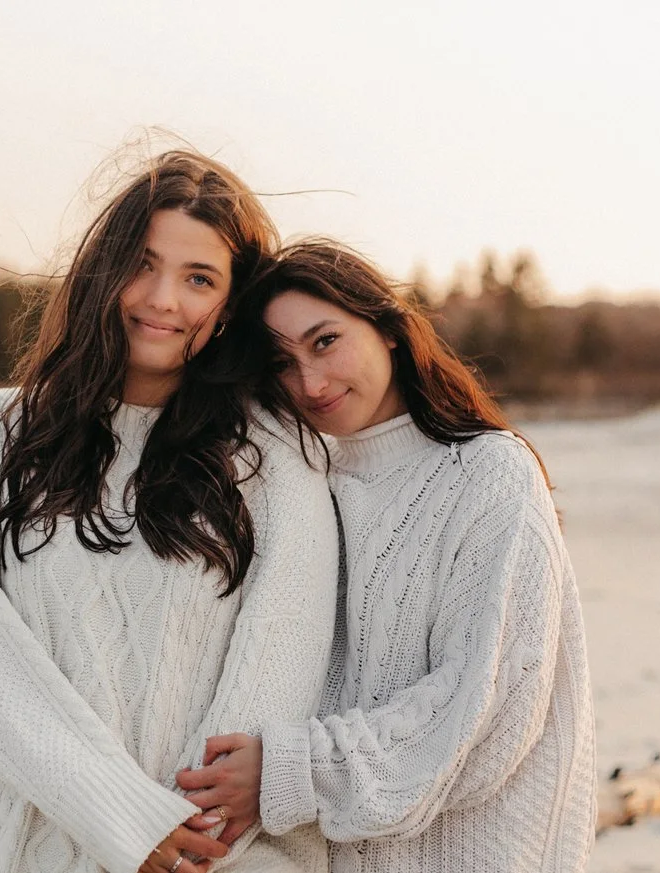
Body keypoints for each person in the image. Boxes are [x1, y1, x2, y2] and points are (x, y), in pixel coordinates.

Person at [0, 154, 339, 873]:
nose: (163, 298)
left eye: (199, 278)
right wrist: (126, 819)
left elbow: (275, 679)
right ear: (103, 270)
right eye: (142, 264)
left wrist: (179, 837)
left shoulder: (276, 461)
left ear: (229, 308)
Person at [177, 240, 597, 872]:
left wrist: (290, 770)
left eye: (325, 342)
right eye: (281, 364)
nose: (310, 383)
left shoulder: (489, 471)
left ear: (388, 328)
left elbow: (485, 706)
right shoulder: (309, 483)